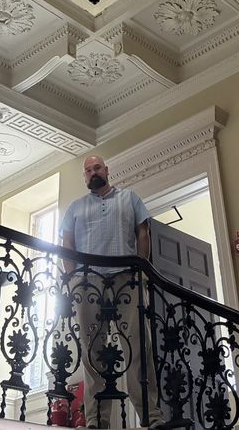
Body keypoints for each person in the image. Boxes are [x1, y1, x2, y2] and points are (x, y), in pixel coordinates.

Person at [60, 155, 164, 430]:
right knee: (92, 350)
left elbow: (143, 233)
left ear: (106, 170)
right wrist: (73, 278)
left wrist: (141, 269)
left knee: (138, 346)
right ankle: (96, 420)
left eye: (97, 168)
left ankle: (150, 416)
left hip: (126, 279)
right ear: (84, 176)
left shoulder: (130, 198)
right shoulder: (75, 207)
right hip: (88, 282)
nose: (92, 172)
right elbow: (67, 243)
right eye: (88, 170)